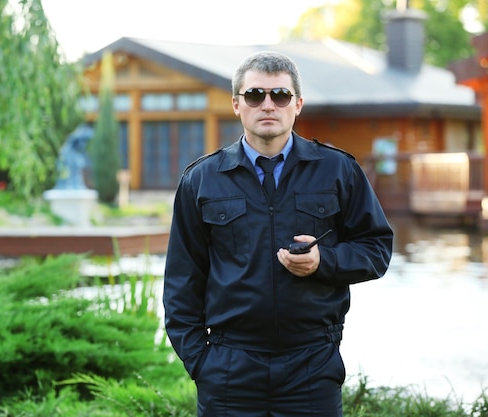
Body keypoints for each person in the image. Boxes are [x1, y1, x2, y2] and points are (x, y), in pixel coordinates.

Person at [163, 51, 393, 417]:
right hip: (228, 369)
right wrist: (200, 363)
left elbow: (376, 249)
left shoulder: (338, 170)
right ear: (237, 104)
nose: (268, 105)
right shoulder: (201, 180)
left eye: (280, 95)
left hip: (312, 366)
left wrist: (324, 261)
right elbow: (182, 280)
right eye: (255, 95)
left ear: (297, 104)